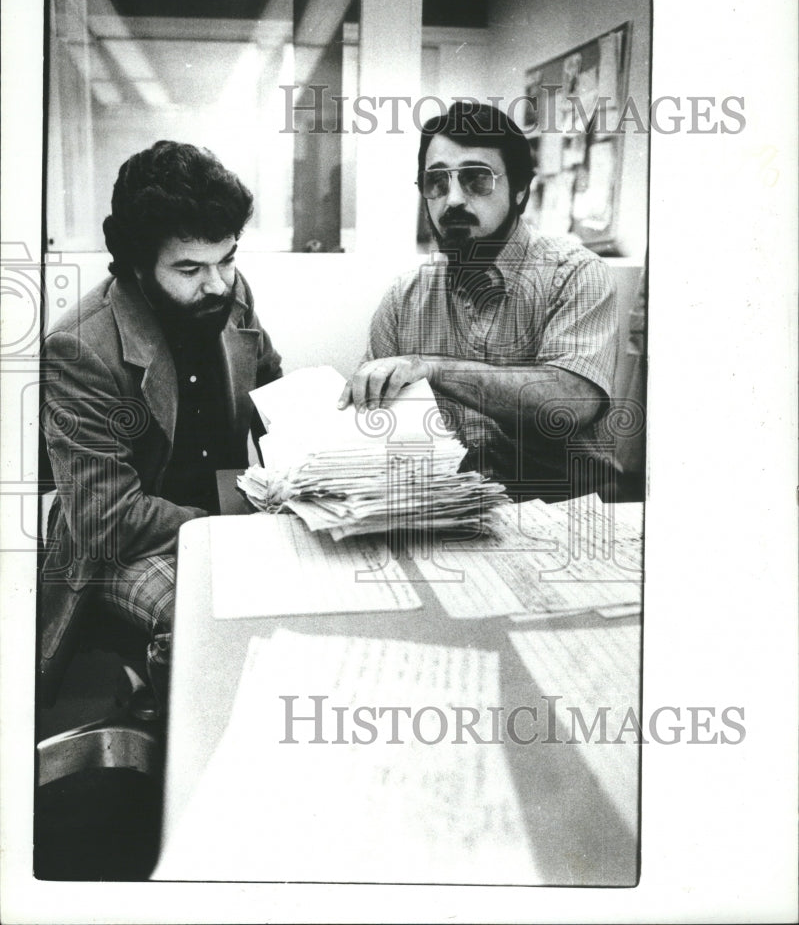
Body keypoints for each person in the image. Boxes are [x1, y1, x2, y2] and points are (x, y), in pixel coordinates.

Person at [39, 141, 282, 706]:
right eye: (190, 268)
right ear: (136, 266)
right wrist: (232, 523)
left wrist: (315, 469)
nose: (218, 284)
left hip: (223, 516)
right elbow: (108, 521)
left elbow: (271, 392)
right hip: (122, 548)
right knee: (226, 623)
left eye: (227, 257)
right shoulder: (80, 346)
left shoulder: (228, 290)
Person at [338, 101, 619, 501]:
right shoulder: (404, 298)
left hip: (566, 510)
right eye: (436, 182)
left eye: (476, 179)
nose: (452, 199)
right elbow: (375, 423)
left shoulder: (573, 273)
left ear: (520, 190)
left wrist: (433, 369)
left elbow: (569, 404)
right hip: (446, 510)